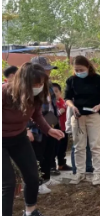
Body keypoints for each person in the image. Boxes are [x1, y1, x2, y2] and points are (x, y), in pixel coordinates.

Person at [2, 63, 64, 216]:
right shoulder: (4, 93)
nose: (38, 87)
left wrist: (48, 130)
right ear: (24, 82)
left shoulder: (35, 96)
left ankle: (29, 213)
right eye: (35, 83)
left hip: (19, 137)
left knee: (32, 175)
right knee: (8, 182)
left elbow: (36, 115)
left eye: (41, 83)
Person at [64, 55, 100, 186]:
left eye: (81, 69)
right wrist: (72, 106)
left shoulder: (98, 79)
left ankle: (97, 174)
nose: (79, 72)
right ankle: (80, 172)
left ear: (88, 67)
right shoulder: (71, 80)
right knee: (79, 145)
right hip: (78, 116)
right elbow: (67, 97)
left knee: (95, 145)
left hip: (95, 115)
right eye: (76, 70)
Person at [28, 57, 61, 195]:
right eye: (45, 70)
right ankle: (39, 183)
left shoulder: (49, 85)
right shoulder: (29, 88)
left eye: (49, 70)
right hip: (36, 126)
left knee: (49, 152)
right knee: (37, 155)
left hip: (49, 123)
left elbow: (53, 104)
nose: (48, 72)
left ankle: (47, 179)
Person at [66, 106, 93, 174]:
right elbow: (69, 115)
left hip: (86, 125)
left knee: (87, 146)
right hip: (76, 125)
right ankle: (75, 168)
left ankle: (88, 167)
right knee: (76, 147)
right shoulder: (72, 102)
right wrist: (69, 128)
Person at [52, 83, 72, 172]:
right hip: (55, 129)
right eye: (52, 92)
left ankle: (61, 164)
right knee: (55, 148)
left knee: (63, 147)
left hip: (64, 128)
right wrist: (59, 112)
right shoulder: (51, 103)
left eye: (56, 91)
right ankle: (52, 166)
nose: (55, 94)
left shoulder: (64, 102)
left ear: (60, 92)